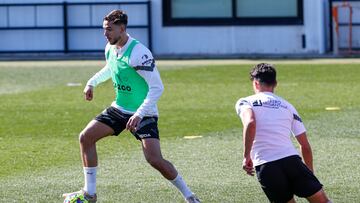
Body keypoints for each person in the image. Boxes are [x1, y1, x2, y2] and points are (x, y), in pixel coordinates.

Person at [62, 10, 200, 203]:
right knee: (86, 137)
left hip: (143, 113)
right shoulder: (110, 48)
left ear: (122, 28)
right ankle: (89, 194)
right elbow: (111, 67)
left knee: (154, 160)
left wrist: (139, 114)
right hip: (119, 109)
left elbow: (157, 87)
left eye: (109, 29)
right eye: (104, 29)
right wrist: (92, 82)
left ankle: (190, 197)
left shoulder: (139, 53)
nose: (105, 33)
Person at [235, 63, 331, 203]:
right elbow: (305, 145)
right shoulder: (288, 106)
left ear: (256, 83)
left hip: (266, 165)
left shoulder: (245, 101)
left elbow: (250, 122)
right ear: (275, 83)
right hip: (292, 161)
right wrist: (309, 174)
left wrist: (246, 156)